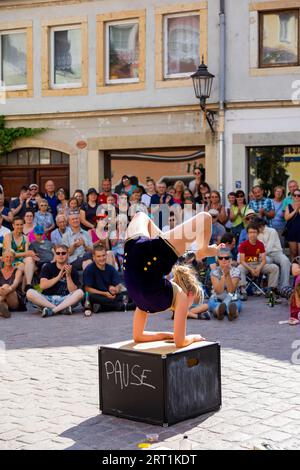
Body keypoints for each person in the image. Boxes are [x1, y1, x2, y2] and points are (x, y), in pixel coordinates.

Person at [123, 211, 223, 348]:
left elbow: (140, 338)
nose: (188, 310)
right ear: (190, 294)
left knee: (205, 218)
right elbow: (140, 337)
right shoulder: (144, 304)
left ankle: (203, 249)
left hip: (144, 250)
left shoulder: (170, 297)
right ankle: (202, 250)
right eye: (191, 303)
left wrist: (179, 336)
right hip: (133, 253)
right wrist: (185, 336)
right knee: (141, 215)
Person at [26, 244, 84, 317]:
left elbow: (73, 291)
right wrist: (58, 277)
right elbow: (42, 286)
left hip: (65, 299)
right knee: (29, 292)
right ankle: (60, 309)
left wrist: (68, 276)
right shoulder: (47, 267)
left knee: (80, 293)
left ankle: (52, 310)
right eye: (58, 253)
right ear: (55, 255)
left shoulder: (73, 270)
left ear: (68, 254)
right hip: (47, 299)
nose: (60, 255)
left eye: (63, 253)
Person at [83, 245, 130, 315]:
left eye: (103, 255)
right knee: (88, 297)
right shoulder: (89, 269)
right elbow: (87, 289)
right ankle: (123, 306)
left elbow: (117, 285)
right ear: (94, 257)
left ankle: (102, 307)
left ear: (106, 255)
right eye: (98, 256)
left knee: (128, 294)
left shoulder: (110, 268)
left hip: (110, 296)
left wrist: (115, 290)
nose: (102, 258)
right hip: (98, 296)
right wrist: (104, 293)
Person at [238, 223, 279, 301]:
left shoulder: (260, 244)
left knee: (274, 267)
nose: (252, 234)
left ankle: (271, 289)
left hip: (258, 264)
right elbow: (242, 261)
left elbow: (263, 260)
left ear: (257, 233)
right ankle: (242, 290)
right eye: (250, 232)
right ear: (247, 234)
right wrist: (251, 269)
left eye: (254, 232)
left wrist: (259, 268)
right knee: (239, 268)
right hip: (247, 265)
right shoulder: (243, 245)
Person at [256, 218, 291, 289]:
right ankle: (272, 286)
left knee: (285, 261)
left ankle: (284, 285)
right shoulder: (257, 233)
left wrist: (261, 252)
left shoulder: (272, 231)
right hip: (266, 255)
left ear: (262, 226)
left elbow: (269, 247)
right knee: (266, 261)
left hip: (276, 253)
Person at [3, 216, 37, 288]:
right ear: (13, 225)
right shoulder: (8, 236)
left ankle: (28, 285)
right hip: (9, 260)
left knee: (29, 259)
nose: (19, 226)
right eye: (17, 225)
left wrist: (32, 255)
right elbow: (10, 254)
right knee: (28, 267)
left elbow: (26, 254)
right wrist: (27, 253)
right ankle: (23, 290)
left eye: (21, 224)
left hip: (21, 261)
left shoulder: (26, 237)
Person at [208, 248, 241, 321]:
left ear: (230, 260)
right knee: (216, 305)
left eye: (226, 258)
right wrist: (223, 276)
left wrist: (227, 275)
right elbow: (218, 291)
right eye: (220, 258)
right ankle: (223, 312)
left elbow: (231, 290)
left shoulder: (236, 270)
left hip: (232, 299)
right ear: (218, 260)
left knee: (234, 305)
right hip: (217, 299)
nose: (223, 260)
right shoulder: (214, 271)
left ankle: (229, 313)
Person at [0, 249, 25, 317]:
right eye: (7, 257)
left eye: (11, 257)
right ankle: (4, 311)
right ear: (2, 258)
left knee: (5, 286)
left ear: (14, 258)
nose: (9, 259)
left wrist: (8, 289)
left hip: (14, 299)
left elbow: (15, 283)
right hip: (3, 298)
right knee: (3, 303)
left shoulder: (18, 270)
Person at [284, 188, 300, 260]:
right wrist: (295, 210)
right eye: (294, 195)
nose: (296, 197)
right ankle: (293, 270)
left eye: (299, 195)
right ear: (292, 196)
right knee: (293, 253)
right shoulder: (289, 206)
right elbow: (286, 218)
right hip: (292, 232)